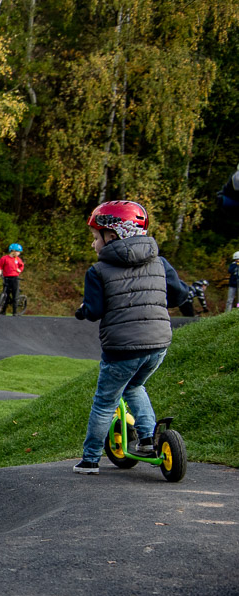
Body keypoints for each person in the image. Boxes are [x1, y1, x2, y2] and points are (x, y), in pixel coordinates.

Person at [72, 200, 186, 474]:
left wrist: (82, 311)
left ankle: (89, 460)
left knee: (104, 403)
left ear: (112, 237)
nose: (93, 244)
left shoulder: (97, 271)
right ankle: (148, 440)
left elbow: (95, 310)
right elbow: (179, 296)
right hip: (158, 345)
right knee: (135, 387)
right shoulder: (160, 262)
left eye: (95, 237)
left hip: (122, 350)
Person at [0, 243, 25, 315]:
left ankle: (15, 311)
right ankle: (3, 311)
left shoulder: (18, 259)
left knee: (15, 295)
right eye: (18, 252)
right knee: (6, 294)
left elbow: (21, 266)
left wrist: (19, 270)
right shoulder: (4, 258)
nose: (19, 253)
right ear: (13, 251)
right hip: (6, 278)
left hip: (15, 278)